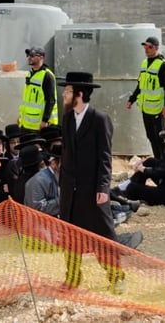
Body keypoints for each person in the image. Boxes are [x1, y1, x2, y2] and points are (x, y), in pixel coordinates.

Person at [59, 71, 125, 292]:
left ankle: (116, 276)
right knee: (70, 235)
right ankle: (73, 276)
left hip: (93, 189)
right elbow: (67, 153)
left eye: (67, 92)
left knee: (101, 235)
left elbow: (105, 157)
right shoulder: (67, 118)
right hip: (70, 189)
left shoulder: (99, 119)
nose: (63, 96)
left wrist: (103, 188)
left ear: (79, 94)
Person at [113, 124, 165, 208]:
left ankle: (125, 188)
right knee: (150, 161)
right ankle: (122, 188)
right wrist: (143, 163)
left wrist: (142, 169)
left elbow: (157, 172)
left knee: (132, 188)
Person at [125, 36, 165, 160]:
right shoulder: (144, 63)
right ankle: (158, 161)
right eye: (145, 46)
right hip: (146, 108)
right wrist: (132, 99)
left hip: (157, 109)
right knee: (151, 136)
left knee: (160, 138)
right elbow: (141, 85)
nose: (146, 49)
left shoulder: (162, 65)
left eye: (149, 47)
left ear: (156, 48)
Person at [20, 47, 58, 132]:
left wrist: (45, 120)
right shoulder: (30, 73)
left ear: (41, 57)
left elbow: (50, 100)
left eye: (32, 55)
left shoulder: (47, 75)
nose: (29, 57)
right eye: (28, 55)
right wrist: (21, 117)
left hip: (40, 126)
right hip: (26, 124)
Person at [22, 145, 61, 217]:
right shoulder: (37, 181)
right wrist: (64, 200)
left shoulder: (60, 178)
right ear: (54, 163)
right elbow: (37, 209)